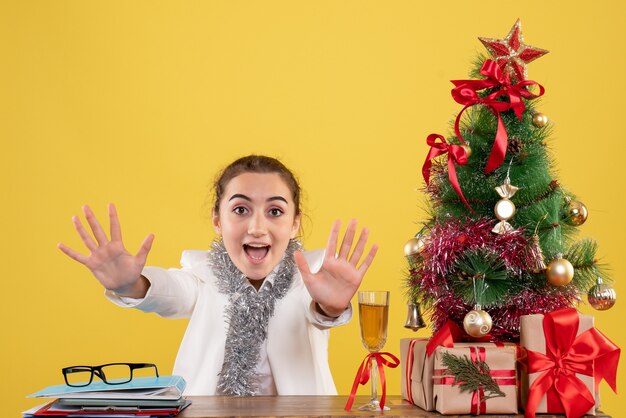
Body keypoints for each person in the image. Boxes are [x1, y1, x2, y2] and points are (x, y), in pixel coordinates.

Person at [58, 155, 378, 396]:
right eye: (240, 210)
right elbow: (171, 291)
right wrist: (130, 284)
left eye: (275, 211)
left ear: (295, 223)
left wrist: (332, 308)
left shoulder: (310, 279)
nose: (256, 227)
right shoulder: (204, 277)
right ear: (217, 220)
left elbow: (319, 312)